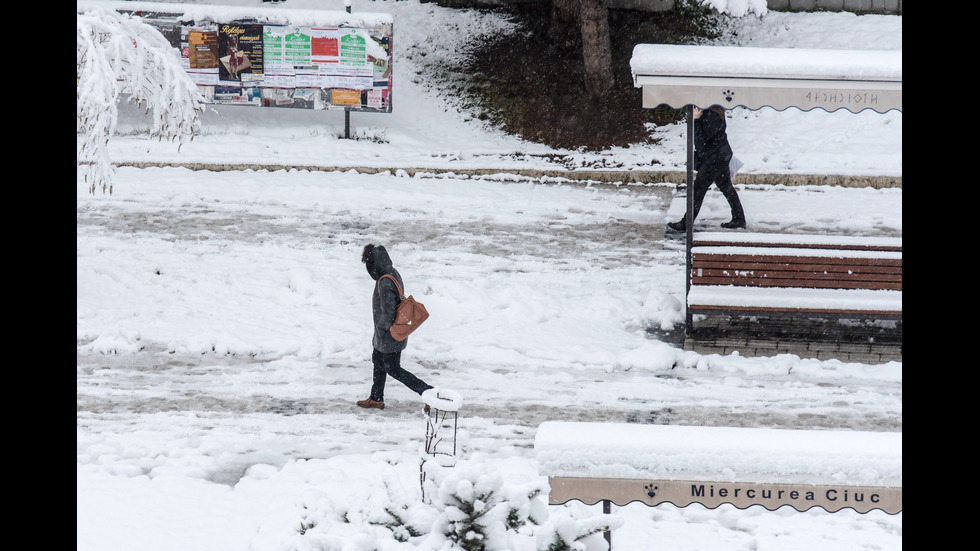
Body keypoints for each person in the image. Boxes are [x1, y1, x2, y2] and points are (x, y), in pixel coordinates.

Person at [356, 244, 433, 410]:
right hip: (388, 335)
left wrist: (382, 329)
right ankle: (376, 397)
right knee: (378, 362)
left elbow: (388, 313)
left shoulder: (384, 282)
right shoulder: (392, 272)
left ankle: (428, 393)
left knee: (393, 369)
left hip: (388, 335)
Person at [667, 105, 746, 231]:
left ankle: (686, 223)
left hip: (713, 160)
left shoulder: (711, 116)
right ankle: (739, 219)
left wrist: (696, 120)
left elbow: (701, 141)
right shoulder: (715, 112)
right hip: (719, 157)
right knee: (726, 188)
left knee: (698, 191)